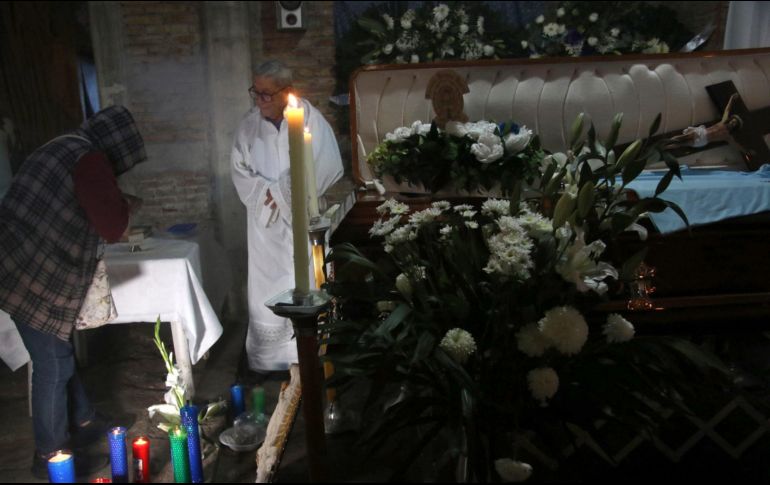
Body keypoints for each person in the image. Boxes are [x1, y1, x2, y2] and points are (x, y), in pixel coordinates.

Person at [0, 105, 146, 478]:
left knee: (57, 349)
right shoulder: (90, 159)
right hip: (30, 272)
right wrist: (126, 205)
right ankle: (48, 453)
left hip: (15, 261)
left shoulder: (67, 143)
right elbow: (112, 227)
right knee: (53, 363)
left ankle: (83, 420)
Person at [231, 60, 343, 372]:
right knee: (268, 291)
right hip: (266, 226)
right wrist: (265, 194)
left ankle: (310, 352)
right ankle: (270, 362)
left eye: (267, 94)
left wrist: (281, 190)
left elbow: (328, 163)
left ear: (287, 91)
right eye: (257, 92)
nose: (259, 100)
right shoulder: (247, 126)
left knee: (307, 282)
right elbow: (239, 170)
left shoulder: (311, 119)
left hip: (303, 220)